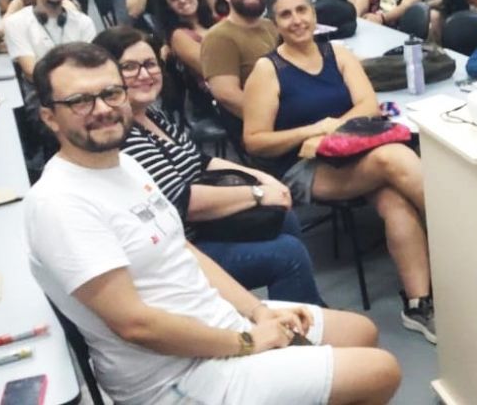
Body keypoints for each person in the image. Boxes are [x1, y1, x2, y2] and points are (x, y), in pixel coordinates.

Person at [26, 41, 401, 405]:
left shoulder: (124, 164)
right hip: (174, 376)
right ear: (49, 116)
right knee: (379, 371)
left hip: (214, 324)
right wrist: (250, 341)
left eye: (111, 93)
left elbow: (182, 249)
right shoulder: (61, 203)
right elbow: (136, 326)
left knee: (359, 332)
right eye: (80, 101)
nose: (103, 109)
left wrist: (258, 312)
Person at [243, 0, 435, 343]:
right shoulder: (268, 70)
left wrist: (333, 129)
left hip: (357, 153)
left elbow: (368, 106)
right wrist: (313, 130)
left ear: (314, 14)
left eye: (302, 10)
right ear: (274, 23)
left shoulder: (338, 53)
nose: (297, 20)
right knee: (394, 157)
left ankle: (418, 304)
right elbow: (255, 140)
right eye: (285, 14)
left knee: (394, 199)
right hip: (305, 168)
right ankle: (460, 237)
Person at [92, 26, 325, 306]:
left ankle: (306, 305)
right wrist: (258, 194)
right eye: (129, 67)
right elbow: (182, 201)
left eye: (150, 64)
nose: (144, 74)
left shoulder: (150, 114)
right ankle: (300, 319)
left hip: (198, 229)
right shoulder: (123, 134)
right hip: (181, 251)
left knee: (282, 216)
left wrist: (263, 178)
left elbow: (199, 160)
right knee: (287, 254)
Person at [201, 0, 277, 120]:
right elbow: (227, 95)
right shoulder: (219, 37)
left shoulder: (270, 26)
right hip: (260, 123)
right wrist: (276, 118)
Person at [4, 0, 96, 82]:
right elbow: (31, 71)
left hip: (81, 86)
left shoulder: (84, 22)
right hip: (39, 89)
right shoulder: (16, 22)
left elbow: (91, 65)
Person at [155, 0, 214, 112]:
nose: (182, 0)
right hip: (214, 101)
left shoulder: (214, 22)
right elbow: (210, 68)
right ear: (167, 7)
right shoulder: (178, 36)